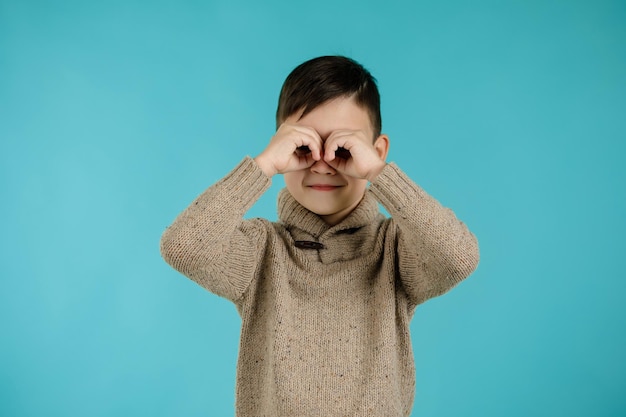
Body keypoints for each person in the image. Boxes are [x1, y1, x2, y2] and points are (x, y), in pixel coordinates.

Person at [160, 55, 479, 416]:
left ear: (376, 151)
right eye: (304, 146)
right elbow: (184, 246)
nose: (324, 162)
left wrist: (378, 173)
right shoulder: (260, 251)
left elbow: (458, 257)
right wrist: (263, 166)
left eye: (344, 148)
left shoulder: (395, 249)